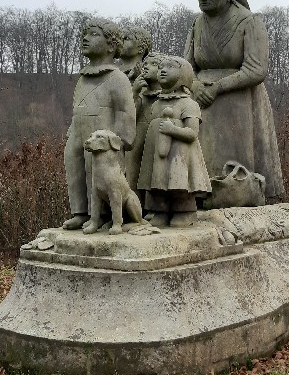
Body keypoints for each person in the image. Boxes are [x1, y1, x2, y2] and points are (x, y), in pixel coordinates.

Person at [184, 0, 284, 201]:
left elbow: (256, 69)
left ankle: (239, 197)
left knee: (238, 166)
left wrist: (217, 88)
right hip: (201, 102)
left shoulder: (250, 21)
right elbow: (186, 66)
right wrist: (195, 85)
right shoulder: (197, 24)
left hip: (240, 103)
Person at [62, 18, 136, 232]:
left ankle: (104, 215)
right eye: (85, 34)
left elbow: (125, 111)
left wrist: (120, 140)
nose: (85, 38)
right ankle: (80, 212)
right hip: (79, 131)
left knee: (97, 173)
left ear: (111, 45)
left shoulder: (117, 78)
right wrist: (72, 130)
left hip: (103, 135)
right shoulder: (82, 79)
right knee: (75, 167)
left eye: (94, 34)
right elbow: (77, 106)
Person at [137, 56, 212, 227]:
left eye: (170, 67)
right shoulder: (156, 104)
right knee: (157, 183)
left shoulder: (189, 104)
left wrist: (172, 130)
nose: (163, 70)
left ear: (184, 74)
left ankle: (185, 211)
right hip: (158, 155)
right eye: (161, 67)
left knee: (179, 183)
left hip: (180, 155)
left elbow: (192, 133)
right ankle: (160, 211)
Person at [126, 51, 164, 189]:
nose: (146, 66)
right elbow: (129, 116)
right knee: (132, 178)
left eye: (154, 64)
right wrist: (134, 92)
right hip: (137, 142)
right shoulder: (140, 95)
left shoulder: (167, 96)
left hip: (158, 143)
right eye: (145, 63)